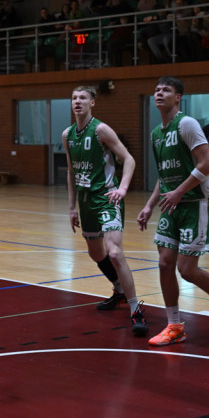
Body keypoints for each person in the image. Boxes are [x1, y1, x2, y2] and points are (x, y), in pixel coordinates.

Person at [137, 76, 209, 346]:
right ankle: (175, 325)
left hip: (194, 203)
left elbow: (207, 164)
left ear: (178, 97)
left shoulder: (187, 124)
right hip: (172, 205)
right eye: (156, 89)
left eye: (166, 90)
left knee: (187, 269)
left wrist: (180, 191)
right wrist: (149, 205)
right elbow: (164, 177)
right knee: (164, 263)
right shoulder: (156, 133)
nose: (159, 93)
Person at [62, 85, 147, 336]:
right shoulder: (67, 134)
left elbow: (128, 158)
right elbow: (71, 171)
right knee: (96, 254)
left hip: (107, 198)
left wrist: (122, 189)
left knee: (115, 252)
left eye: (83, 98)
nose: (78, 101)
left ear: (92, 103)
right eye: (74, 97)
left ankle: (135, 309)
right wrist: (71, 207)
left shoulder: (100, 129)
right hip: (86, 201)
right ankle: (118, 290)